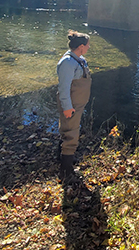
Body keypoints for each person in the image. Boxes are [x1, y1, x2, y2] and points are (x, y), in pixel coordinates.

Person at [57, 31, 91, 180]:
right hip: (71, 105)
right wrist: (67, 107)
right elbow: (63, 88)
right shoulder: (67, 63)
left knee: (70, 129)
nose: (89, 47)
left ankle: (63, 158)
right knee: (71, 133)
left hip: (77, 104)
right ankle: (66, 170)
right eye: (88, 45)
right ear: (81, 46)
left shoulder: (80, 59)